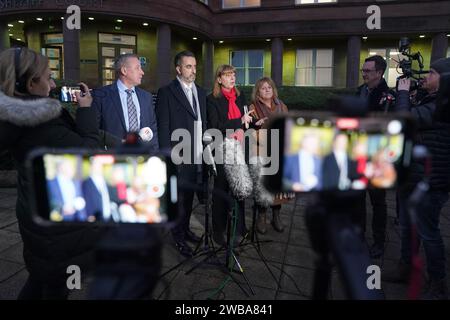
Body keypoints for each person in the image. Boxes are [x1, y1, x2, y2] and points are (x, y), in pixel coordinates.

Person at [0, 47, 101, 299]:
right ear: (32, 83)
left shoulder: (15, 117)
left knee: (41, 278)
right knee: (55, 284)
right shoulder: (40, 123)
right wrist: (87, 110)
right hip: (57, 227)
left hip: (36, 216)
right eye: (47, 76)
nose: (52, 82)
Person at [385, 57, 450, 299]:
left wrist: (402, 94)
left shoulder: (443, 105)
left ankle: (438, 282)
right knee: (408, 227)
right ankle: (406, 268)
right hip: (413, 175)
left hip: (431, 181)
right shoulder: (430, 99)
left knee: (428, 232)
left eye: (432, 73)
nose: (426, 76)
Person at [155, 50, 207, 257]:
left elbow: (204, 123)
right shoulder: (167, 92)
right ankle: (177, 237)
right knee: (179, 199)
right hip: (179, 155)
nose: (193, 70)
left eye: (194, 66)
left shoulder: (201, 92)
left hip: (198, 155)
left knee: (191, 198)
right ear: (178, 69)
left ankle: (185, 230)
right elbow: (164, 126)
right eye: (188, 66)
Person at [207, 64, 252, 246]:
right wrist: (239, 121)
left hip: (239, 148)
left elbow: (246, 119)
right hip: (222, 149)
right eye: (227, 75)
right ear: (219, 79)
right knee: (221, 191)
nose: (232, 78)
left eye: (233, 74)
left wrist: (253, 122)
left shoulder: (240, 97)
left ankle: (240, 227)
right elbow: (216, 126)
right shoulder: (212, 99)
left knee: (238, 189)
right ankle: (218, 231)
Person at [356, 55, 390, 258]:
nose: (364, 73)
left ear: (379, 72)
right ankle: (359, 236)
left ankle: (379, 241)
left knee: (378, 202)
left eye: (368, 71)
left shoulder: (388, 96)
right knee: (358, 199)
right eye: (363, 70)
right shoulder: (360, 91)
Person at [249, 77, 292, 234]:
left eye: (269, 87)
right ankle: (261, 216)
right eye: (263, 88)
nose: (267, 90)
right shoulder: (253, 108)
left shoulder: (282, 106)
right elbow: (253, 133)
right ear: (258, 91)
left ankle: (276, 216)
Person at [91, 53, 159, 151]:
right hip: (113, 158)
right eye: (137, 68)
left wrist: (154, 155)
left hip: (143, 156)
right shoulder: (101, 96)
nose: (142, 72)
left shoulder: (146, 97)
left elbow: (153, 129)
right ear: (124, 70)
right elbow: (94, 130)